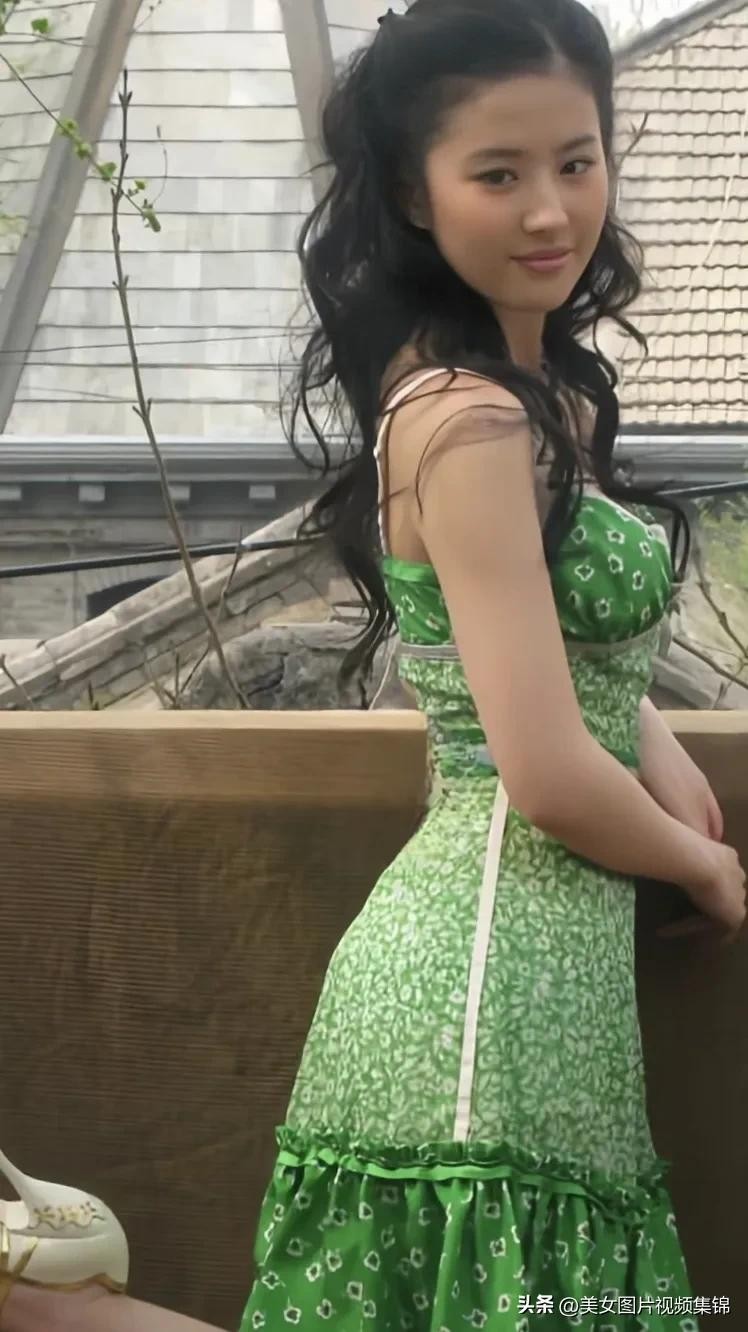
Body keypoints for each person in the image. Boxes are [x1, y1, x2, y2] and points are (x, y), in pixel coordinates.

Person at [2, 2, 745, 1330]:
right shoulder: (465, 423)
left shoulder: (547, 404)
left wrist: (656, 742)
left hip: (543, 994)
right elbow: (539, 768)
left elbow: (557, 654)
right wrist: (703, 865)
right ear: (414, 194)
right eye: (498, 174)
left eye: (577, 161)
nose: (550, 210)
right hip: (479, 998)